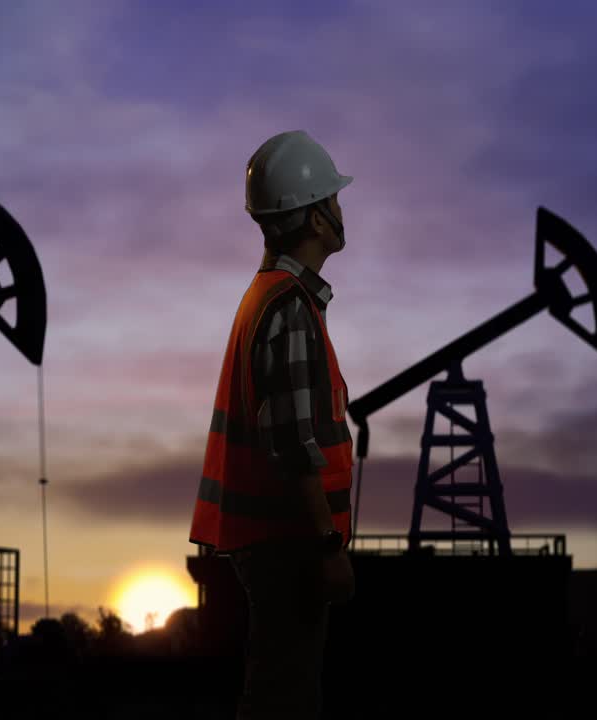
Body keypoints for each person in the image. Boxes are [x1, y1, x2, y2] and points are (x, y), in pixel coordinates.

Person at [189, 129, 356, 719]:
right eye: (333, 201)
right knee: (283, 701)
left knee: (277, 693)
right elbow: (293, 445)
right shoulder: (289, 309)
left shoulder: (270, 297)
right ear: (314, 219)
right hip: (290, 546)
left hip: (271, 542)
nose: (341, 211)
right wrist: (328, 546)